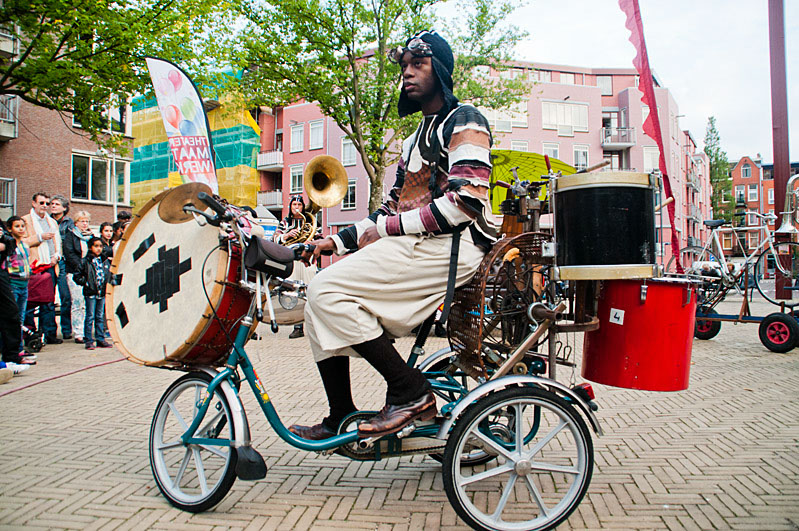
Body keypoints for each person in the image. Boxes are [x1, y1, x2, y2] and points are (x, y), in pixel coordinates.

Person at [290, 30, 496, 440]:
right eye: (404, 66)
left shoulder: (465, 120)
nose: (407, 73)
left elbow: (465, 204)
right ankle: (341, 414)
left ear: (439, 69)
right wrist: (339, 241)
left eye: (418, 64)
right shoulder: (414, 140)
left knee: (326, 292)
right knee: (317, 301)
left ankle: (410, 391)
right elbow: (392, 208)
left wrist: (385, 229)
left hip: (454, 245)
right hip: (416, 242)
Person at [272, 195, 317, 339]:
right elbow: (275, 238)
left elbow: (319, 236)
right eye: (294, 205)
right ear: (290, 207)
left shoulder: (309, 221)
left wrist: (311, 241)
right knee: (293, 292)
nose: (297, 207)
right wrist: (286, 236)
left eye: (299, 205)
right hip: (291, 260)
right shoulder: (285, 222)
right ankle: (297, 326)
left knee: (309, 292)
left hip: (306, 261)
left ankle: (312, 324)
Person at [22, 192, 62, 344]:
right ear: (34, 203)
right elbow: (21, 242)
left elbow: (57, 243)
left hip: (50, 265)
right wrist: (39, 237)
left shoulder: (52, 222)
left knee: (49, 301)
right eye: (41, 203)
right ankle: (29, 334)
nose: (45, 206)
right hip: (34, 266)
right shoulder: (26, 220)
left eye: (47, 203)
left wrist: (56, 256)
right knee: (31, 302)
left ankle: (49, 334)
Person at [0, 220, 35, 368]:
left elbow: (8, 245)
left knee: (13, 315)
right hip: (12, 280)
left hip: (6, 279)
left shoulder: (13, 240)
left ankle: (12, 357)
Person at [73, 237, 112, 350]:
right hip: (91, 292)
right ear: (90, 247)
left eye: (100, 246)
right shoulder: (85, 261)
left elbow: (108, 274)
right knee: (90, 316)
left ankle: (100, 338)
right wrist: (86, 283)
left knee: (99, 316)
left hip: (101, 292)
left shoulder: (105, 261)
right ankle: (89, 340)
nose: (98, 249)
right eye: (96, 246)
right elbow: (77, 276)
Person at [64, 211, 94, 344]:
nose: (85, 224)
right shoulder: (70, 236)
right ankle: (78, 332)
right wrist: (82, 268)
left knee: (88, 303)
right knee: (77, 303)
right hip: (75, 273)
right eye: (82, 221)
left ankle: (88, 331)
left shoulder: (90, 237)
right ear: (76, 223)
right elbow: (70, 254)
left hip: (89, 274)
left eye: (87, 221)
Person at [50, 195, 74, 340]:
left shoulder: (69, 223)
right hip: (49, 261)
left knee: (65, 296)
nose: (53, 206)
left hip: (63, 262)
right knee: (48, 297)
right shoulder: (47, 221)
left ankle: (66, 329)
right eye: (52, 204)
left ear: (64, 208)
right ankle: (49, 330)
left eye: (57, 204)